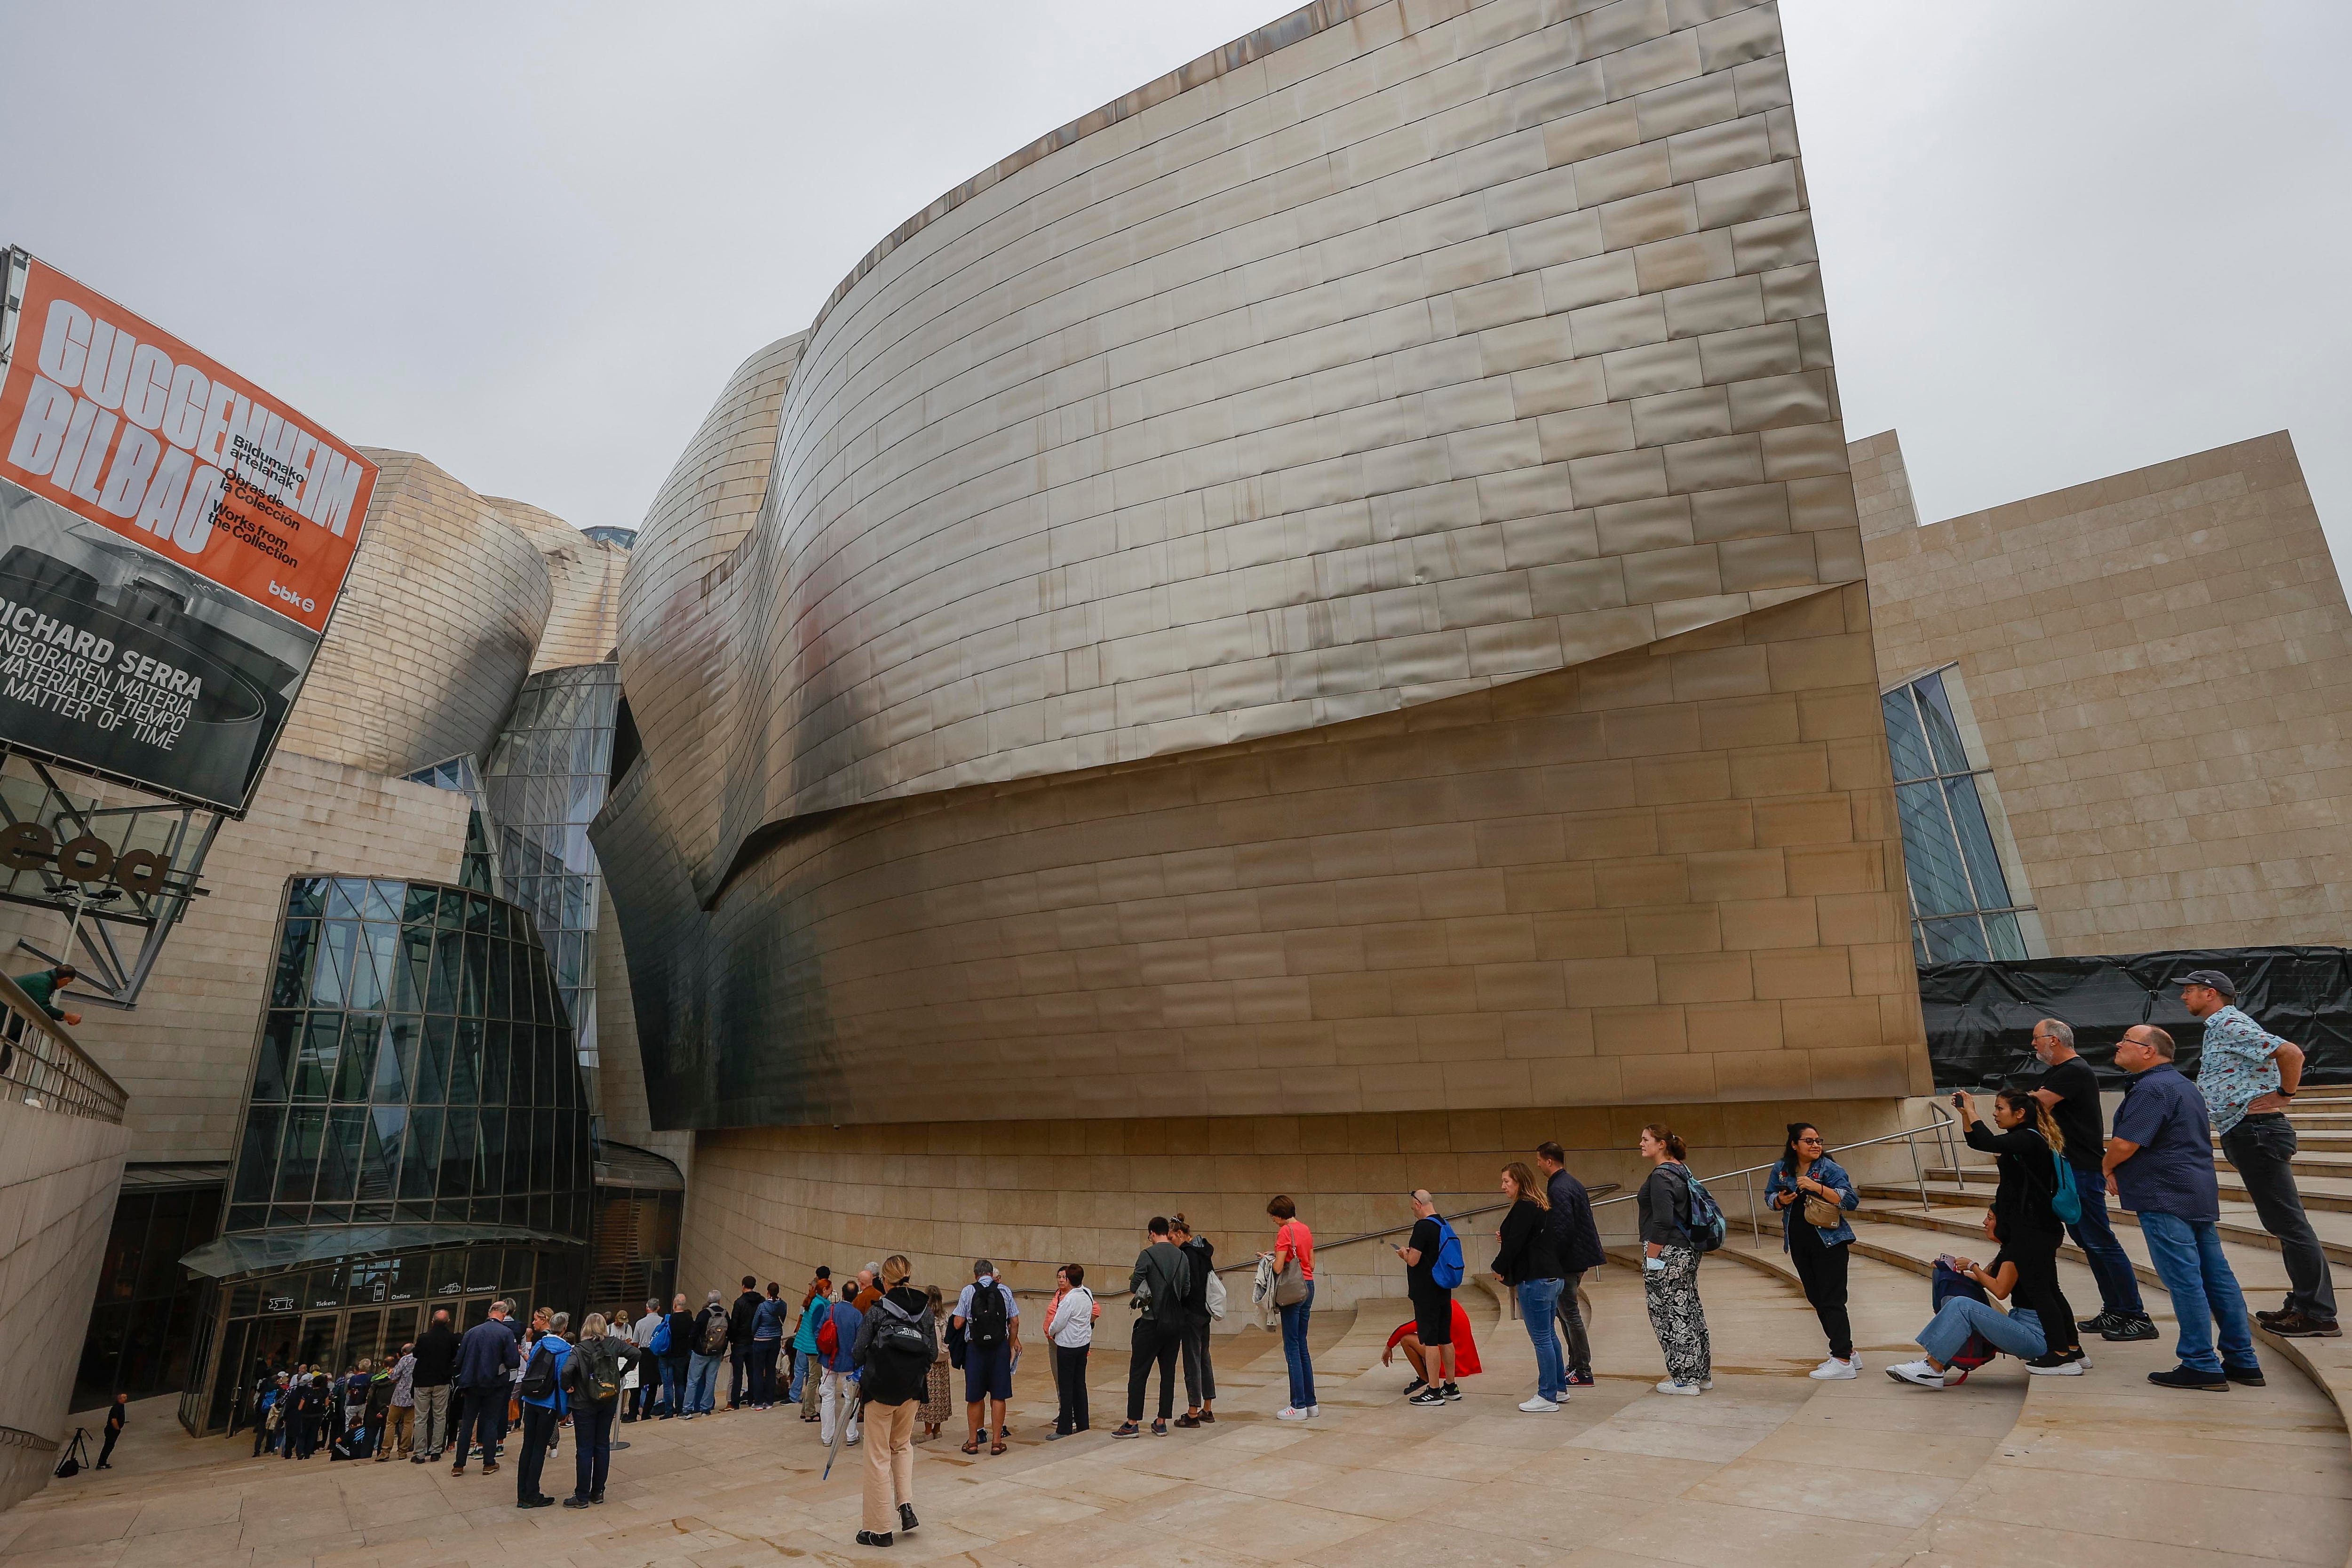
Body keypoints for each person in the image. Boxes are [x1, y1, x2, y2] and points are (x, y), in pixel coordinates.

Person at [2182, 970, 2339, 1337]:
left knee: (2289, 1223)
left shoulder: (2227, 1021)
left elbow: (2291, 1052)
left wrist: (2286, 1093)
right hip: (2249, 1130)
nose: (2183, 997)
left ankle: (2318, 1312)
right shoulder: (2221, 1024)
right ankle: (2304, 1302)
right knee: (2283, 1223)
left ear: (2211, 994)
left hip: (2258, 1131)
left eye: (2190, 991)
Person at [2108, 1024, 2265, 1390]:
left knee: (2185, 1281)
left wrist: (2106, 1167)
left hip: (2165, 1195)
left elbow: (2127, 1142)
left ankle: (2200, 1362)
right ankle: (2242, 1359)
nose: (2118, 1044)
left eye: (2126, 1040)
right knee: (2217, 1277)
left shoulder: (2153, 1087)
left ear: (2148, 1050)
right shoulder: (2182, 1084)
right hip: (2194, 1192)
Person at [2025, 1019, 2155, 1342]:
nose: (2033, 1045)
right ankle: (2115, 1308)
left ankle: (2136, 1315)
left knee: (2102, 1242)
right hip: (2069, 1168)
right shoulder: (2059, 1071)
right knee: (2089, 1242)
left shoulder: (2074, 1070)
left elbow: (2033, 1105)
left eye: (2036, 1039)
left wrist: (2023, 1100)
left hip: (2082, 1168)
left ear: (2053, 1040)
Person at [1956, 1086, 2088, 1373]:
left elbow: (1988, 1141)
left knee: (2041, 1292)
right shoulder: (2024, 1138)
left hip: (2034, 1230)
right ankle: (2074, 1350)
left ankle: (2060, 1355)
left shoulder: (2028, 1139)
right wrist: (1966, 1114)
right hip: (2037, 1228)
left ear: (2020, 1113)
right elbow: (1979, 1143)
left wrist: (1972, 1110)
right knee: (2050, 1289)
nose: (1995, 1113)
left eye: (2000, 1108)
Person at [1884, 1232, 2052, 1387]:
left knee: (1963, 1306)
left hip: (2036, 1337)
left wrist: (1972, 1266)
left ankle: (1933, 1368)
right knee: (1945, 1280)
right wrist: (1952, 1271)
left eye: (1990, 1218)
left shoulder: (2017, 1252)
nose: (1985, 1223)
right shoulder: (2008, 1250)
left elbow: (2000, 1291)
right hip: (2020, 1322)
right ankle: (1936, 1361)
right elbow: (1986, 1279)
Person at [1764, 1122, 1862, 1378]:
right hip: (1798, 1242)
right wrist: (1779, 1200)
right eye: (1809, 1141)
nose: (1816, 1145)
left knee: (1832, 1299)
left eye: (1818, 1140)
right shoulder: (1782, 1169)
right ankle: (1848, 1352)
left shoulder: (1830, 1169)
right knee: (1816, 1298)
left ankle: (1842, 1359)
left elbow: (1850, 1201)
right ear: (1794, 1145)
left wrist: (1817, 1187)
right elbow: (1769, 1196)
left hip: (1830, 1242)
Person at [851, 1256, 934, 1549]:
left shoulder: (878, 1311)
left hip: (881, 1393)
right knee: (901, 1446)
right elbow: (932, 1353)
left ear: (884, 1280)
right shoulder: (924, 1310)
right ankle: (906, 1506)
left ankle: (879, 1529)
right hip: (912, 1392)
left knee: (877, 1456)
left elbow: (858, 1351)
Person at [1637, 1125, 1712, 1395]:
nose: (1641, 1143)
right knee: (1689, 1309)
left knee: (1670, 1315)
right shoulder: (1681, 1169)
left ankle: (1685, 1378)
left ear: (1661, 1144)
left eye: (1646, 1139)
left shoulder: (1660, 1176)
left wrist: (1652, 1256)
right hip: (1687, 1251)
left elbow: (1663, 1220)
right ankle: (1701, 1373)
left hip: (1667, 1251)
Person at [1492, 1162, 1567, 1411]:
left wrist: (1498, 1266)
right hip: (1552, 1277)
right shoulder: (1540, 1205)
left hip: (1536, 1280)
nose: (1503, 1186)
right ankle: (1558, 1388)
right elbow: (1528, 1239)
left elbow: (1515, 1244)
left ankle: (1547, 1396)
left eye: (1507, 1181)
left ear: (1520, 1182)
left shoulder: (1525, 1206)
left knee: (1542, 1339)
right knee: (1549, 1334)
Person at [1534, 1143, 1605, 1388]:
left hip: (1568, 1261)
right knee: (1566, 1314)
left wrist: (1551, 1258)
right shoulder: (1571, 1183)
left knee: (1569, 1314)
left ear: (1550, 1161)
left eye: (1540, 1161)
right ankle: (1576, 1365)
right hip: (1576, 1258)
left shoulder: (1559, 1188)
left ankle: (1582, 1369)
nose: (1539, 1165)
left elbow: (1562, 1229)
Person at [1113, 1216, 1191, 1439]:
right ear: (1168, 1232)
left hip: (1150, 1321)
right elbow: (1186, 1289)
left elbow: (1134, 1285)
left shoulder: (1147, 1255)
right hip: (1174, 1324)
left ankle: (1132, 1423)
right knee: (1168, 1374)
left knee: (1139, 1373)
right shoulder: (1182, 1256)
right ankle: (1161, 1421)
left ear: (1152, 1233)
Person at [560, 1312, 640, 1507]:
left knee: (585, 1449)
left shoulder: (579, 1349)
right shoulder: (613, 1343)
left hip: (583, 1402)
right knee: (602, 1445)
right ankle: (598, 1492)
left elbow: (566, 1371)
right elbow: (636, 1354)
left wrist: (568, 1386)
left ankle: (582, 1495)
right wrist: (622, 1373)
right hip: (608, 1399)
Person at [1394, 1190, 1459, 1406]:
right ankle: (1451, 1385)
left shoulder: (1422, 1227)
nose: (1412, 1210)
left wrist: (1403, 1253)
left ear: (1417, 1203)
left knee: (1430, 1341)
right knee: (1445, 1338)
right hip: (1443, 1288)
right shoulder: (1443, 1224)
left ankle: (1433, 1390)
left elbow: (1414, 1260)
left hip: (1426, 1291)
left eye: (1412, 1207)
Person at [952, 1259, 1017, 1454]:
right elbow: (1014, 1321)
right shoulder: (1005, 1291)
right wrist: (1010, 1344)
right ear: (991, 1274)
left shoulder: (968, 1291)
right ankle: (997, 1443)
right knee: (998, 1395)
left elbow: (958, 1323)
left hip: (975, 1349)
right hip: (999, 1348)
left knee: (975, 1397)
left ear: (976, 1275)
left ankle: (973, 1442)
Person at [1262, 1196, 1318, 1421]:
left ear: (1280, 1214)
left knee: (1291, 1347)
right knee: (1302, 1345)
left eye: (1274, 1216)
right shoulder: (1305, 1229)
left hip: (1293, 1290)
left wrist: (1270, 1259)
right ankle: (1311, 1403)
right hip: (1309, 1285)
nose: (1274, 1221)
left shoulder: (1286, 1231)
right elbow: (1311, 1264)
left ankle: (1298, 1406)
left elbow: (1278, 1267)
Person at [452, 1299, 522, 1474]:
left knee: (467, 1423)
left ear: (490, 1312)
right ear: (504, 1314)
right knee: (490, 1421)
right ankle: (489, 1463)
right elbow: (513, 1361)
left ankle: (459, 1465)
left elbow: (458, 1360)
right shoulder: (505, 1333)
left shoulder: (471, 1332)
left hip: (471, 1383)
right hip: (494, 1384)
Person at [512, 1310, 570, 1507]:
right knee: (539, 1448)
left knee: (527, 1446)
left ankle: (523, 1494)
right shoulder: (565, 1350)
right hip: (549, 1403)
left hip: (532, 1400)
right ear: (565, 1329)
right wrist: (564, 1410)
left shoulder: (539, 1344)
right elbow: (563, 1381)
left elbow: (530, 1370)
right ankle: (532, 1493)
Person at [1170, 1215, 1216, 1425]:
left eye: (1172, 1238)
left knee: (1192, 1360)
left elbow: (1186, 1287)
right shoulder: (1204, 1252)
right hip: (1205, 1312)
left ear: (1180, 1234)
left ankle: (1192, 1412)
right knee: (1204, 1358)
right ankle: (1207, 1408)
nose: (1171, 1243)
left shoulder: (1185, 1255)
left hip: (1190, 1313)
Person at [1382, 1298, 1483, 1387]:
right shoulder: (1451, 1303)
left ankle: (1424, 1379)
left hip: (1453, 1362)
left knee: (1406, 1339)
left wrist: (1389, 1347)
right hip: (1467, 1360)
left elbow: (1403, 1330)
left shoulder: (1434, 1309)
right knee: (1429, 1337)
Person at [1046, 1263, 1093, 1439]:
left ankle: (1064, 1428)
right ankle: (1083, 1423)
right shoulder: (1087, 1293)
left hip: (1068, 1346)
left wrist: (1051, 1331)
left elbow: (1058, 1323)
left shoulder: (1069, 1299)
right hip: (1083, 1343)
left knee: (1066, 1387)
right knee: (1080, 1384)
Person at [824, 1278, 868, 1450]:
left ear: (842, 1294)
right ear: (856, 1296)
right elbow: (861, 1341)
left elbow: (818, 1331)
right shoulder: (857, 1315)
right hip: (849, 1362)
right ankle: (851, 1434)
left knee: (827, 1397)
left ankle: (827, 1436)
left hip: (829, 1360)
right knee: (850, 1399)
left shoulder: (830, 1309)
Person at [411, 1308, 458, 1461]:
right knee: (440, 1416)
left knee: (421, 1418)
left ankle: (419, 1453)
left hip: (423, 1381)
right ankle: (436, 1451)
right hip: (442, 1381)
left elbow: (416, 1354)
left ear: (432, 1321)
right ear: (448, 1322)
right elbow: (454, 1357)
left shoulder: (423, 1338)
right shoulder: (451, 1339)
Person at [794, 1274, 833, 1419]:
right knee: (814, 1380)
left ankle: (805, 1410)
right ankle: (810, 1412)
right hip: (813, 1347)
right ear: (825, 1290)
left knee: (811, 1379)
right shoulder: (821, 1305)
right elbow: (818, 1327)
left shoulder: (814, 1301)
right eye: (830, 1290)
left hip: (807, 1344)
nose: (831, 1293)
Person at [919, 1286, 954, 1441]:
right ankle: (938, 1430)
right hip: (943, 1360)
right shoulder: (944, 1315)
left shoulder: (924, 1315)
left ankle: (928, 1431)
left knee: (929, 1396)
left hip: (929, 1361)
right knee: (941, 1396)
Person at [688, 1289, 730, 1417]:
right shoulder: (725, 1314)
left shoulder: (703, 1314)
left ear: (708, 1301)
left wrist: (693, 1348)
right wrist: (723, 1350)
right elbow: (728, 1334)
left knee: (693, 1381)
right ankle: (706, 1409)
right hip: (717, 1352)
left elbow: (694, 1333)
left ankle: (687, 1410)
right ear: (719, 1300)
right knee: (711, 1381)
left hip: (701, 1352)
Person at [727, 1274, 763, 1409]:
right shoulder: (761, 1301)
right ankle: (753, 1399)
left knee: (738, 1375)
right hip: (755, 1341)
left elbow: (734, 1324)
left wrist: (732, 1340)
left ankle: (735, 1403)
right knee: (753, 1373)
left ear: (743, 1286)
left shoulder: (739, 1302)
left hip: (740, 1343)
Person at [751, 1281, 787, 1409]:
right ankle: (769, 1401)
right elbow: (782, 1320)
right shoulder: (783, 1305)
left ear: (768, 1292)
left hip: (761, 1340)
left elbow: (755, 1323)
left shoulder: (762, 1306)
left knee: (758, 1371)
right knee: (771, 1370)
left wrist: (754, 1334)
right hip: (775, 1339)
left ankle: (759, 1402)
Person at [380, 1341, 417, 1461]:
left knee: (391, 1423)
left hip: (399, 1396)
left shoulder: (405, 1360)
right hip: (414, 1396)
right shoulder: (420, 1359)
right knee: (409, 1424)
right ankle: (403, 1451)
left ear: (405, 1352)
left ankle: (386, 1451)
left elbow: (394, 1377)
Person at [12, 964, 81, 1026]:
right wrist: (68, 1016)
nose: (66, 985)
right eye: (67, 982)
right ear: (65, 980)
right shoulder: (43, 982)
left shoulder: (42, 979)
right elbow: (43, 1007)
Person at [628, 1300, 663, 1420]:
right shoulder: (662, 1322)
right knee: (653, 1385)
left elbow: (635, 1343)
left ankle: (633, 1414)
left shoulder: (640, 1323)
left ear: (647, 1308)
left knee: (637, 1386)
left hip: (643, 1353)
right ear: (658, 1308)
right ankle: (646, 1413)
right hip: (657, 1353)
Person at [660, 1293, 694, 1419]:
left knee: (668, 1385)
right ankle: (680, 1409)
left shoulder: (669, 1319)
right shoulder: (689, 1319)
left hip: (668, 1356)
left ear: (675, 1305)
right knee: (680, 1383)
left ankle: (669, 1411)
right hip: (682, 1356)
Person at [95, 1393, 125, 1470]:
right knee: (108, 1447)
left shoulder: (120, 1406)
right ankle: (101, 1463)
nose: (126, 1399)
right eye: (124, 1398)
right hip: (112, 1431)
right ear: (119, 1399)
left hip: (113, 1430)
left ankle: (103, 1462)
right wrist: (117, 1429)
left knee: (109, 1446)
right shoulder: (116, 1408)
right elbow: (114, 1420)